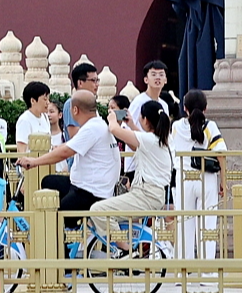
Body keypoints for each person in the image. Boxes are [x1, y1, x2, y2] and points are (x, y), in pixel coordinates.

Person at [21, 89, 119, 213]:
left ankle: (69, 230)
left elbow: (66, 152)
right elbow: (70, 145)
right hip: (86, 185)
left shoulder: (91, 128)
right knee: (48, 181)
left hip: (91, 191)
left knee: (56, 217)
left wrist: (34, 162)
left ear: (75, 110)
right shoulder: (97, 124)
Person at [91, 100, 176, 231]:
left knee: (98, 210)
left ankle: (123, 248)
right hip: (154, 195)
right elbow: (141, 139)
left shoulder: (149, 140)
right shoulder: (164, 139)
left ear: (145, 120)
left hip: (145, 195)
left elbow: (114, 129)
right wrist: (130, 124)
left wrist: (112, 118)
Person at [171, 91, 225, 257]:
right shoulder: (210, 126)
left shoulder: (176, 126)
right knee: (207, 225)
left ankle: (183, 271)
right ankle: (207, 273)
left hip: (183, 178)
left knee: (183, 224)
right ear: (206, 108)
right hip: (205, 178)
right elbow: (221, 154)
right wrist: (224, 182)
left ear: (184, 108)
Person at [14, 82, 58, 158]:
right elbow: (21, 149)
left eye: (48, 99)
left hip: (45, 165)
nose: (48, 102)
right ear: (33, 101)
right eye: (45, 99)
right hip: (32, 167)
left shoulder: (45, 117)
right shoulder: (24, 120)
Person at [61, 63, 101, 142]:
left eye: (97, 80)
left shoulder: (91, 103)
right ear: (80, 83)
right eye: (93, 80)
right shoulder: (71, 104)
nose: (97, 84)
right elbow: (75, 136)